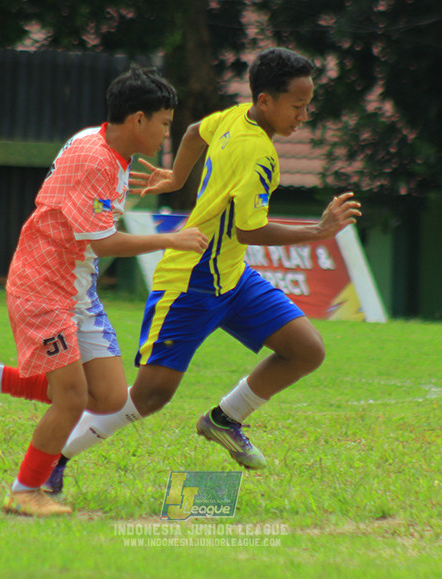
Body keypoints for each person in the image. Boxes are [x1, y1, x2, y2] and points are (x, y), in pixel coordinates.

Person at [39, 47, 362, 496]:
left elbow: (194, 131)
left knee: (305, 349)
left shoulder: (236, 116)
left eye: (308, 106)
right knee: (150, 396)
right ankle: (55, 458)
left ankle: (224, 419)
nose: (304, 115)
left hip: (230, 275)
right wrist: (318, 231)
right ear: (265, 101)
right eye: (298, 106)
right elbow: (250, 230)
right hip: (192, 280)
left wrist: (175, 177)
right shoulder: (259, 154)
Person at [0, 67, 208, 517]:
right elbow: (103, 242)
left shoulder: (110, 148)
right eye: (165, 124)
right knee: (71, 396)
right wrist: (170, 237)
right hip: (43, 284)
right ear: (137, 119)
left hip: (78, 286)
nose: (168, 134)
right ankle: (23, 491)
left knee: (108, 397)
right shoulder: (97, 158)